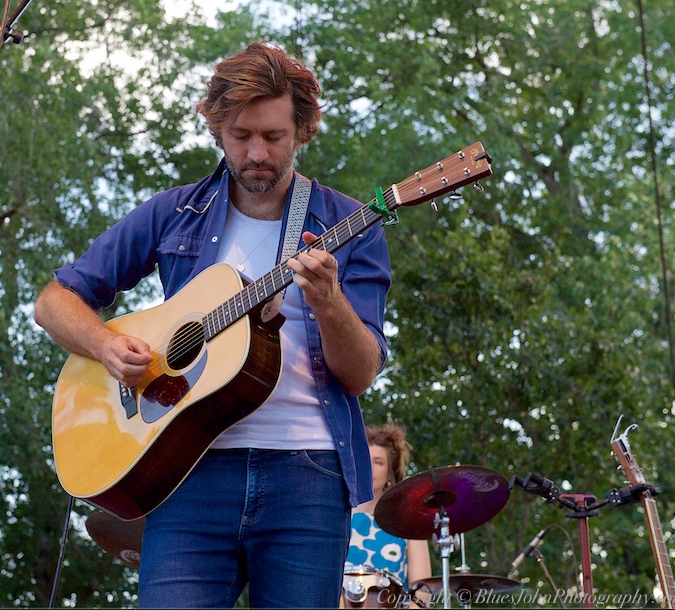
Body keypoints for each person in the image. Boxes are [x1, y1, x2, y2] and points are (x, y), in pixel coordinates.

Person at [33, 41, 392, 608]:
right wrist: (104, 344)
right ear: (216, 130)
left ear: (303, 131)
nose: (255, 153)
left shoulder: (352, 225)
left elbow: (361, 373)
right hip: (186, 470)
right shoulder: (174, 212)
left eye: (273, 137)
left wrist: (327, 300)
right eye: (240, 136)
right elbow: (55, 301)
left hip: (309, 474)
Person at [344, 424, 432, 608]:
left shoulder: (407, 522)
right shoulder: (336, 519)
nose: (370, 467)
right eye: (365, 460)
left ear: (390, 474)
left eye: (378, 462)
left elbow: (423, 591)